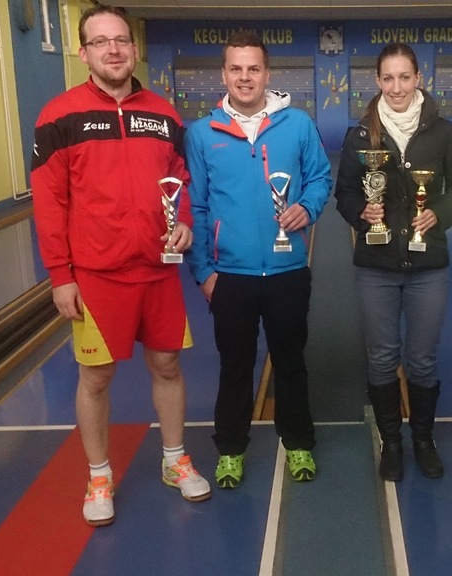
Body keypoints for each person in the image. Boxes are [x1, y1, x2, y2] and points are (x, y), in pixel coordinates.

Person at [30, 5, 211, 526]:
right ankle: (99, 475)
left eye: (121, 40)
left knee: (168, 366)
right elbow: (49, 202)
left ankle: (174, 461)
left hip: (157, 270)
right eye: (100, 41)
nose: (113, 49)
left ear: (134, 48)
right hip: (96, 274)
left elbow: (182, 178)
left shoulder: (164, 114)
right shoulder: (58, 116)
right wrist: (60, 275)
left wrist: (185, 222)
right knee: (96, 377)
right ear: (83, 53)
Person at [185, 31, 332, 489]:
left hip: (288, 270)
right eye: (236, 68)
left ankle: (299, 441)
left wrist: (307, 207)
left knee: (291, 362)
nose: (244, 77)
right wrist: (204, 273)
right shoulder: (202, 133)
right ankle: (230, 450)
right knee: (234, 367)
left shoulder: (298, 124)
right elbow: (196, 205)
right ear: (224, 74)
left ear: (268, 74)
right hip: (230, 276)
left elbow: (320, 178)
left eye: (253, 69)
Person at [334, 43, 452, 481]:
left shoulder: (444, 133)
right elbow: (345, 193)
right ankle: (391, 443)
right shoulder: (360, 135)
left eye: (404, 77)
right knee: (381, 357)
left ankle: (424, 441)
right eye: (388, 78)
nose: (396, 87)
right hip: (375, 264)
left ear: (418, 79)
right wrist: (362, 213)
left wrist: (439, 214)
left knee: (422, 359)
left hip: (428, 265)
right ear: (377, 81)